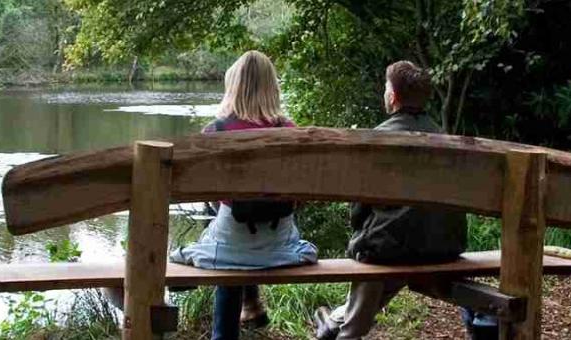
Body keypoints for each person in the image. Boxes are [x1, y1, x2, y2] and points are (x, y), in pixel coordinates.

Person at [312, 61, 493, 340]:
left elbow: (358, 208)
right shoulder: (448, 139)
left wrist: (362, 232)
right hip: (445, 245)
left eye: (386, 88)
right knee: (396, 242)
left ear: (393, 96)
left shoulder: (376, 139)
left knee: (378, 250)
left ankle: (344, 328)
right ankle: (337, 322)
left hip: (389, 250)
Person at [169, 50, 319, 340]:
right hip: (280, 247)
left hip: (230, 243)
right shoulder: (289, 131)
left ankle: (227, 331)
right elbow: (301, 196)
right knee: (236, 242)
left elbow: (204, 193)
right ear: (272, 87)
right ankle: (251, 303)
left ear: (233, 85)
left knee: (223, 243)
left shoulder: (215, 132)